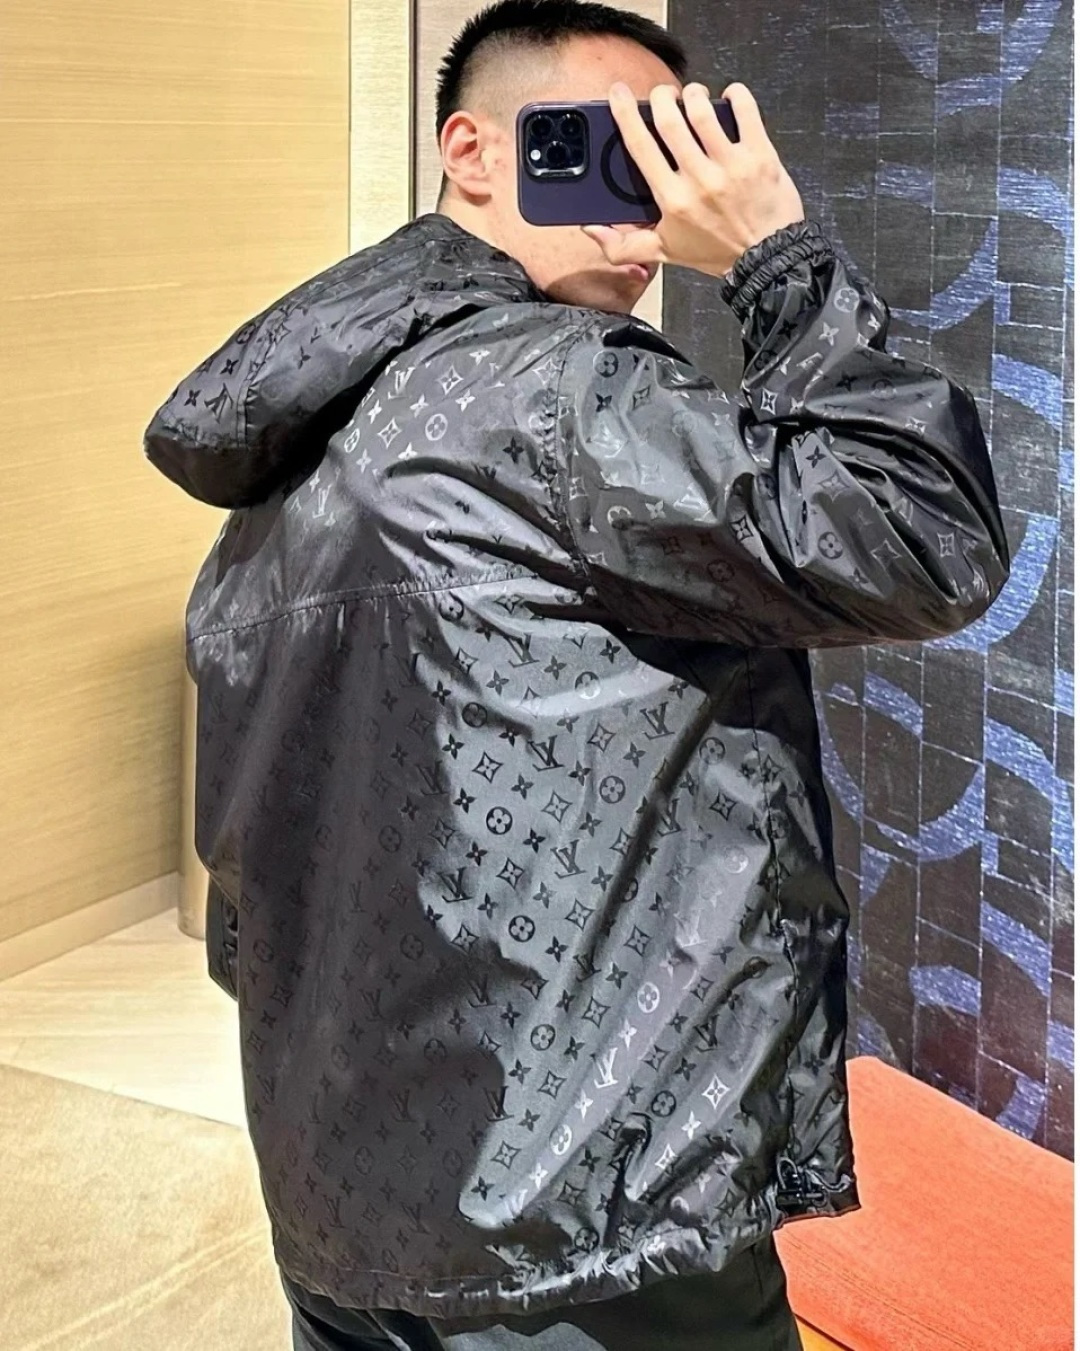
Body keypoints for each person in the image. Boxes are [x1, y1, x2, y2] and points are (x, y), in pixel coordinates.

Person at [144, 2, 1010, 1347]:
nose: (647, 197)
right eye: (603, 146)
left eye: (672, 154)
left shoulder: (300, 439)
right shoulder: (563, 394)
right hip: (584, 1238)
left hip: (338, 1196)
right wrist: (778, 256)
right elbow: (923, 536)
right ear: (474, 152)